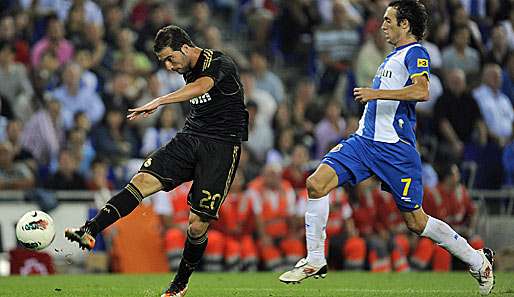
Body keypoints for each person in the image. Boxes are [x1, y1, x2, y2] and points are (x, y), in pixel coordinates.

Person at [278, 1, 494, 295]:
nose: (383, 25)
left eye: (388, 20)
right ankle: (315, 258)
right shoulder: (390, 57)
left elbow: (422, 90)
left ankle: (478, 261)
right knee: (315, 184)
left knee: (416, 221)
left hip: (395, 150)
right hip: (363, 142)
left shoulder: (416, 52)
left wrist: (375, 92)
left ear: (405, 24)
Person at [65, 25, 248, 297]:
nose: (168, 66)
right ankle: (90, 230)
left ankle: (180, 284)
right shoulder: (185, 67)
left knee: (197, 224)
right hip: (191, 137)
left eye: (169, 58)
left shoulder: (219, 63)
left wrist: (160, 100)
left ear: (185, 48)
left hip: (221, 147)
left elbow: (202, 86)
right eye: (163, 61)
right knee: (141, 181)